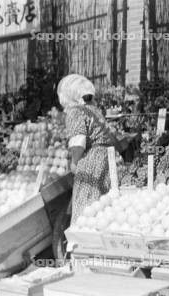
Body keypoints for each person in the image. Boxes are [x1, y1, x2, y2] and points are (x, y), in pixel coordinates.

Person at [57, 74, 117, 224]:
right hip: (109, 159)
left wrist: (75, 162)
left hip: (93, 162)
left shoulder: (75, 111)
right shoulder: (93, 109)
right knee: (105, 206)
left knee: (86, 207)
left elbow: (78, 142)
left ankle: (80, 242)